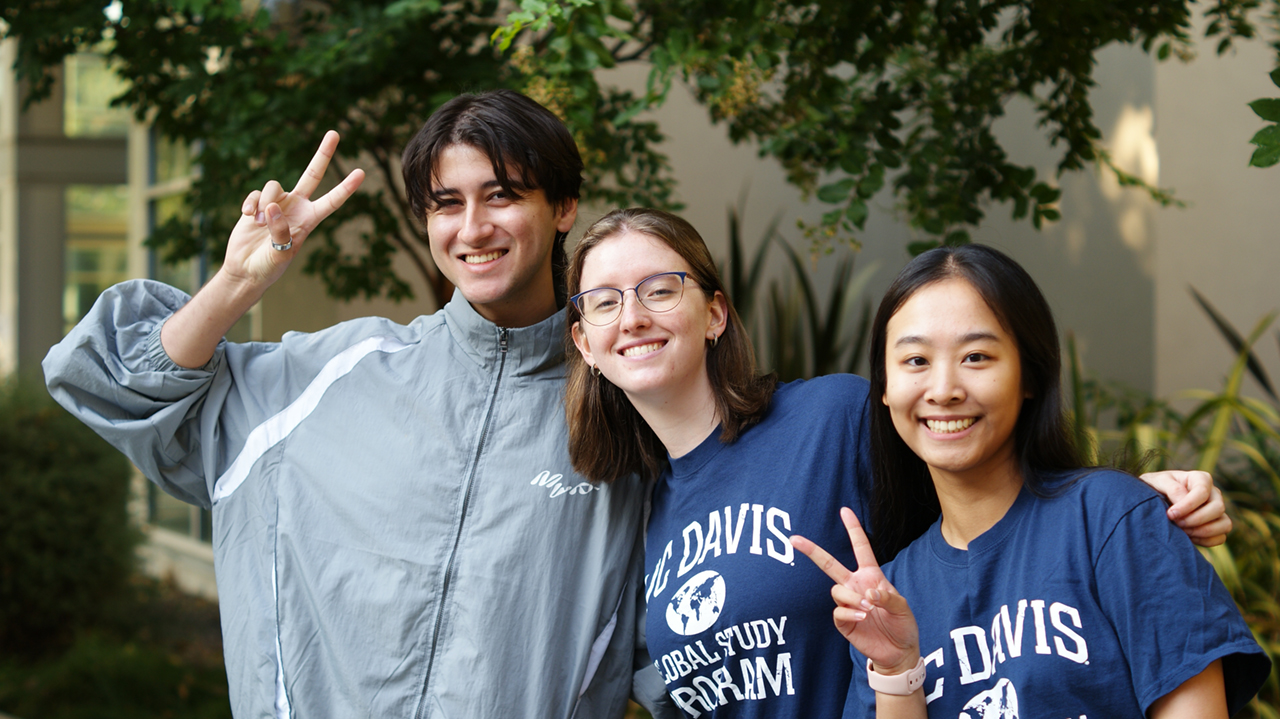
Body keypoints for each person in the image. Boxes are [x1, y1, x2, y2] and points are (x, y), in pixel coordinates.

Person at [43, 90, 672, 719]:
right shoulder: (323, 382)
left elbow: (688, 651)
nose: (473, 228)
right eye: (446, 203)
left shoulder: (630, 413)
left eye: (502, 195)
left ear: (563, 207)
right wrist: (238, 282)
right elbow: (112, 385)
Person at [563, 208, 1236, 718]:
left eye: (659, 287)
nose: (632, 315)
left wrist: (1127, 507)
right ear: (584, 342)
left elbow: (975, 472)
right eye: (604, 300)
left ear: (714, 313)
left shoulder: (829, 417)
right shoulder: (637, 511)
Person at [791, 244, 1270, 719]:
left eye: (976, 357)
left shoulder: (1110, 521)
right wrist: (896, 670)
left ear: (1030, 376)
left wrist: (1133, 510)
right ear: (885, 390)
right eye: (915, 361)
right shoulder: (888, 594)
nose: (943, 390)